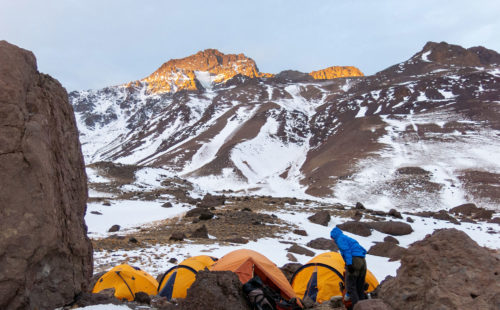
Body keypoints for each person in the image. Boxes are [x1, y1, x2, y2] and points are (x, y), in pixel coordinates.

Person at [330, 226, 367, 308]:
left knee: (350, 287)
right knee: (360, 287)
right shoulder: (347, 238)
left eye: (332, 238)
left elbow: (346, 251)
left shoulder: (340, 239)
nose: (332, 240)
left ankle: (356, 307)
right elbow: (362, 249)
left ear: (334, 236)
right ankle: (364, 306)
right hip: (362, 261)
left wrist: (349, 264)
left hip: (354, 261)